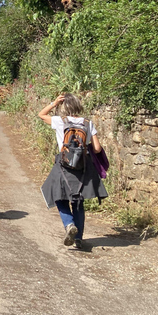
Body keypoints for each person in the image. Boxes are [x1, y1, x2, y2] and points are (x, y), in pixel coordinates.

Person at [38, 93, 108, 249]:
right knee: (78, 202)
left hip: (63, 166)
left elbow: (41, 114)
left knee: (59, 197)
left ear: (64, 107)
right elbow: (97, 149)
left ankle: (69, 224)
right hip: (81, 168)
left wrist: (53, 102)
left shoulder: (59, 121)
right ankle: (78, 240)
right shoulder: (88, 123)